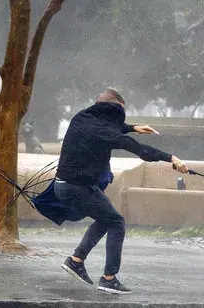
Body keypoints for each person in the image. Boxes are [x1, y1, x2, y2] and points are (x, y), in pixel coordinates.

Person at [56, 88, 188, 294]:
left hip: (66, 184)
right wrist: (172, 158)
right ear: (116, 108)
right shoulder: (105, 131)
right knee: (117, 222)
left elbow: (107, 128)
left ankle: (76, 261)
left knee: (106, 219)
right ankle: (109, 278)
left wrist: (133, 127)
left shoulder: (82, 118)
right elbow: (139, 149)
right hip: (77, 188)